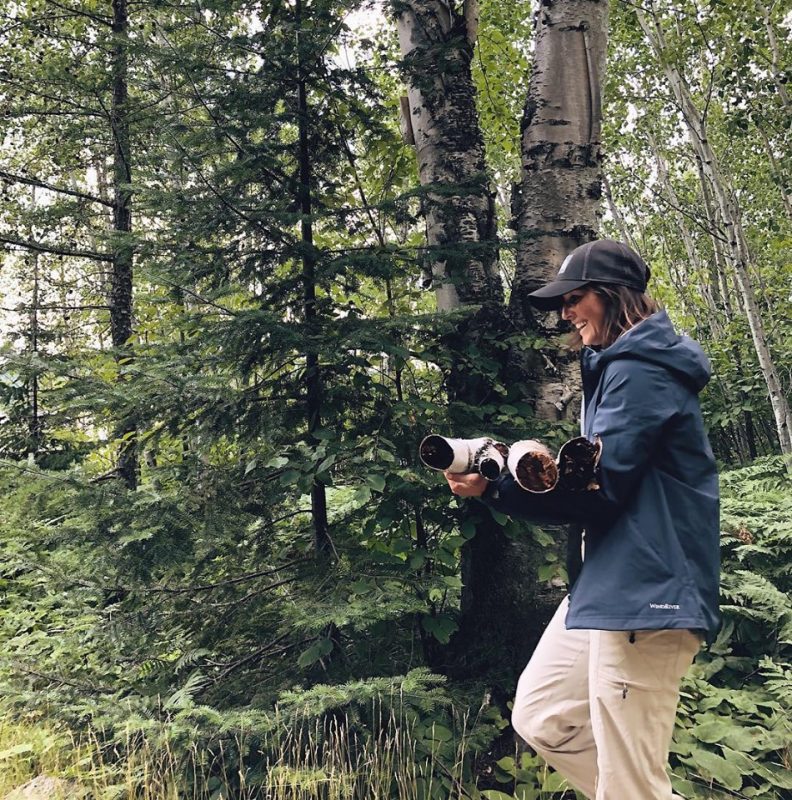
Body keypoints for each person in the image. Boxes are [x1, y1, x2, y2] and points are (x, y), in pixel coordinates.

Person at [444, 239, 720, 800]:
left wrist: (496, 489)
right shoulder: (616, 370)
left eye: (574, 299)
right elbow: (601, 482)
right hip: (609, 584)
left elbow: (602, 491)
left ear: (613, 296)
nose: (565, 313)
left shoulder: (643, 371)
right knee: (543, 715)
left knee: (630, 782)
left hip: (648, 591)